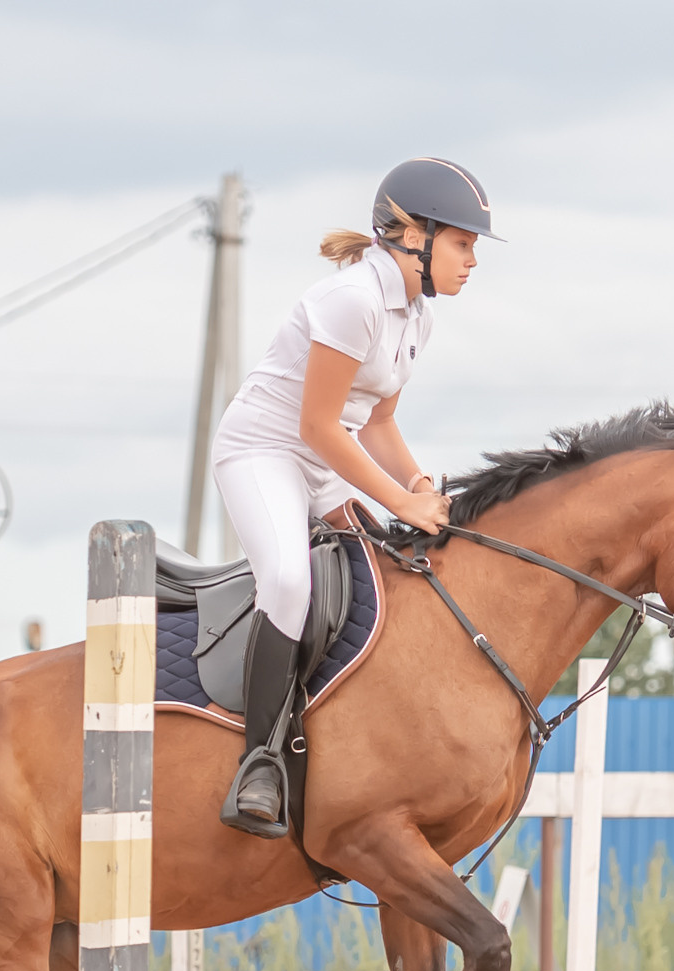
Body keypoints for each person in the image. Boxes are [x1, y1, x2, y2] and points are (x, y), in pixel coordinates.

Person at [209, 156, 498, 837]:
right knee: (288, 580)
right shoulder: (353, 300)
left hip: (326, 460)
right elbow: (316, 427)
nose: (472, 261)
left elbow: (377, 424)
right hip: (264, 452)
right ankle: (260, 762)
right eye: (463, 243)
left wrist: (420, 486)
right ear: (414, 236)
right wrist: (400, 503)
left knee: (393, 575)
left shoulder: (416, 316)